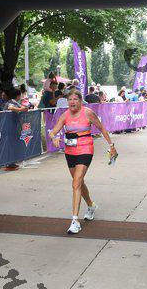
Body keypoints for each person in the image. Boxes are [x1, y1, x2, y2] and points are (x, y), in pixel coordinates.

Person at [48, 90, 117, 234]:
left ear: (80, 101)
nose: (72, 102)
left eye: (75, 99)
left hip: (85, 150)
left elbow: (102, 128)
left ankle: (75, 221)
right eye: (70, 99)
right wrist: (54, 137)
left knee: (76, 183)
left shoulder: (88, 113)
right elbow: (53, 131)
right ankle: (91, 205)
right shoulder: (65, 115)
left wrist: (111, 146)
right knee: (78, 182)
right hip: (70, 152)